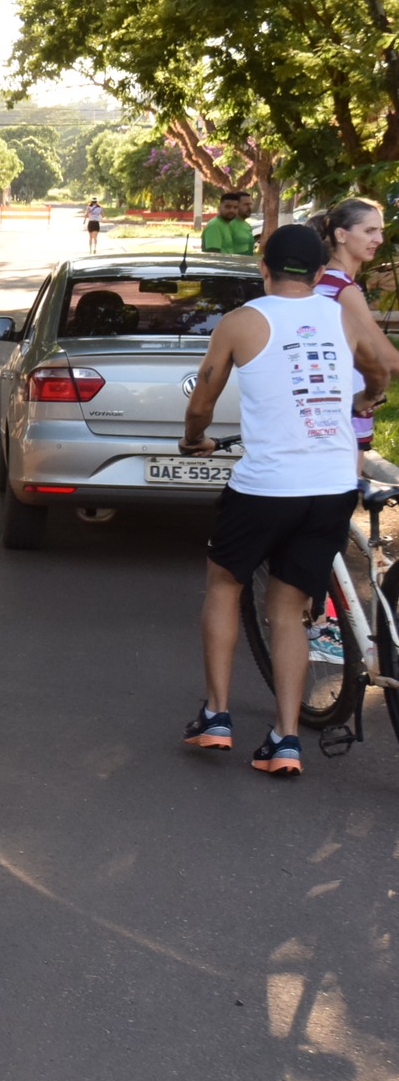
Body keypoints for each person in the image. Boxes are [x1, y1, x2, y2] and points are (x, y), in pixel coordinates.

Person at [179, 224, 393, 776]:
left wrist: (192, 439)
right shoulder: (343, 316)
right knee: (289, 610)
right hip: (331, 488)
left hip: (266, 487)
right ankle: (286, 739)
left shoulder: (242, 322)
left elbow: (203, 400)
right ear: (321, 274)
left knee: (225, 582)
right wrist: (368, 399)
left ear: (263, 268)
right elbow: (377, 366)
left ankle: (218, 717)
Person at [310, 198, 399, 471]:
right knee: (337, 503)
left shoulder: (322, 280)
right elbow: (386, 359)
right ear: (341, 235)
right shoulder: (341, 288)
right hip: (343, 413)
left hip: (323, 410)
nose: (379, 239)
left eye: (380, 231)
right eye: (370, 231)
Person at [201, 191, 256, 256]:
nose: (232, 210)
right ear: (219, 207)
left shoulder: (226, 224)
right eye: (228, 207)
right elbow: (214, 256)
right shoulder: (215, 225)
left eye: (235, 207)